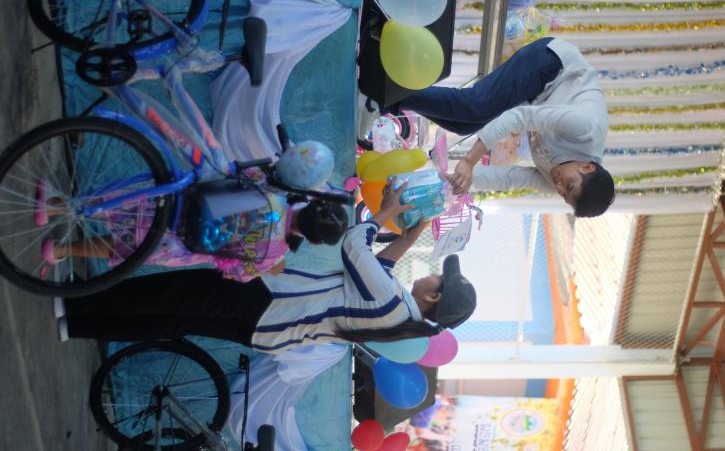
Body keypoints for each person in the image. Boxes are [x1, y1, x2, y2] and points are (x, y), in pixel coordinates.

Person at [55, 176, 478, 351]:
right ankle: (76, 324)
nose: (432, 273)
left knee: (170, 294)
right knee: (174, 321)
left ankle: (76, 303)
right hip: (268, 329)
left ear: (434, 296)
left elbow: (355, 246)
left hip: (265, 302)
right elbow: (381, 266)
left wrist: (386, 211)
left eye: (439, 278)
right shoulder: (396, 313)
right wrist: (412, 232)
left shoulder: (391, 304)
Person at [358, 37, 615, 217]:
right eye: (569, 185)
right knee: (476, 106)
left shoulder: (558, 180)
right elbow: (520, 117)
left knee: (463, 124)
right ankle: (381, 94)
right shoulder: (587, 129)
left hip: (536, 95)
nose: (559, 188)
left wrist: (460, 181)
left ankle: (386, 100)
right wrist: (469, 160)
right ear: (587, 167)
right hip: (552, 65)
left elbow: (510, 178)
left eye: (564, 196)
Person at [38, 169, 349, 282]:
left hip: (179, 207)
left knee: (120, 207)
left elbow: (236, 175)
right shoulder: (274, 254)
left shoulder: (273, 192)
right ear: (315, 241)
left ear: (312, 201)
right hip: (182, 247)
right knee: (121, 247)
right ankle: (60, 250)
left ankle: (54, 208)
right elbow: (236, 274)